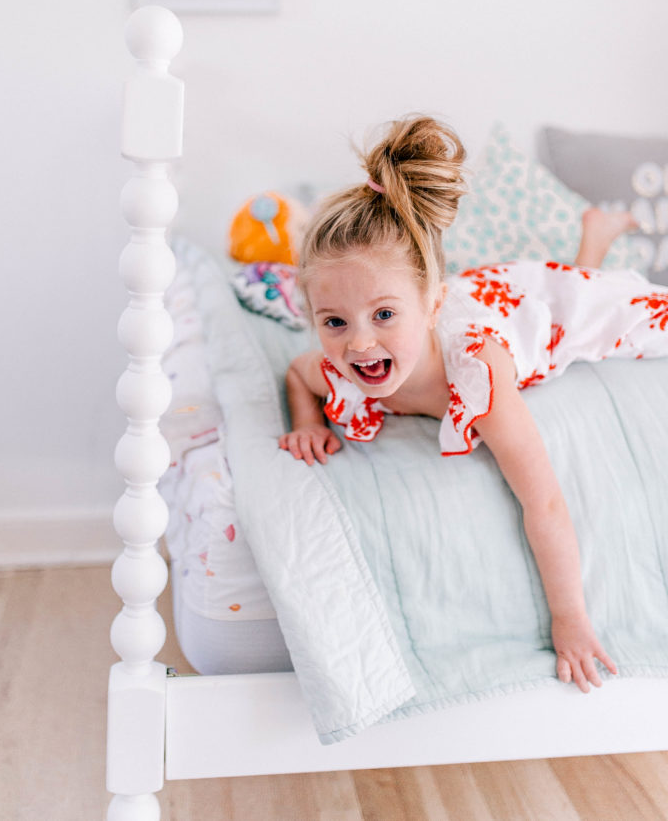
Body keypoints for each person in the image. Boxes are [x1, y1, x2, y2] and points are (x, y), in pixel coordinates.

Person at [278, 116, 668, 694]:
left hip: (523, 307)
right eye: (333, 322)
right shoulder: (345, 368)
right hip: (475, 291)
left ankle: (596, 242)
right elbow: (297, 372)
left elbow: (546, 503)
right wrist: (309, 422)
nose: (359, 343)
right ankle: (594, 236)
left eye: (384, 315)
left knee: (604, 307)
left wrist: (571, 620)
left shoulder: (478, 376)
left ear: (433, 306)